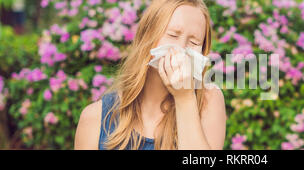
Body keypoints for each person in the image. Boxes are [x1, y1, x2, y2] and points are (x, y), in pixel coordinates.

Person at [74, 0, 226, 150]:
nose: (180, 48)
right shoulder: (95, 117)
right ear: (146, 36)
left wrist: (184, 98)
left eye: (194, 42)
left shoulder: (208, 100)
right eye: (173, 35)